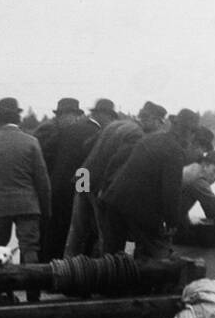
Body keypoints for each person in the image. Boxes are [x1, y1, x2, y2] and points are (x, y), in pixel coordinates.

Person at [66, 100, 166, 257]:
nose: (160, 130)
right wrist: (105, 189)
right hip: (99, 183)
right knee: (104, 233)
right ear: (154, 120)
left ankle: (68, 267)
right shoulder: (137, 135)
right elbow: (117, 163)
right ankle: (101, 273)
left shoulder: (118, 124)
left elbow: (87, 145)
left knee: (77, 230)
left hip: (83, 176)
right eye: (160, 125)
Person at [98, 108, 199, 262]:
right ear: (188, 133)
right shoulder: (174, 151)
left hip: (114, 200)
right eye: (192, 133)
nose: (191, 138)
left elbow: (116, 163)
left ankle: (105, 279)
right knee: (156, 251)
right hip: (136, 209)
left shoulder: (150, 139)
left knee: (112, 254)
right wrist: (172, 222)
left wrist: (105, 189)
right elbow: (171, 191)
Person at [0, 97, 50, 269]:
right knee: (30, 249)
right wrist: (44, 209)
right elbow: (42, 181)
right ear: (18, 118)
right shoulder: (31, 142)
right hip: (28, 206)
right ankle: (32, 293)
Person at [34, 97, 99, 260]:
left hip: (58, 190)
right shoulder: (87, 130)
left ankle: (49, 268)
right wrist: (83, 190)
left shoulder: (53, 131)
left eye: (64, 115)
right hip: (69, 190)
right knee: (73, 232)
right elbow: (87, 164)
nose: (62, 119)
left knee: (55, 233)